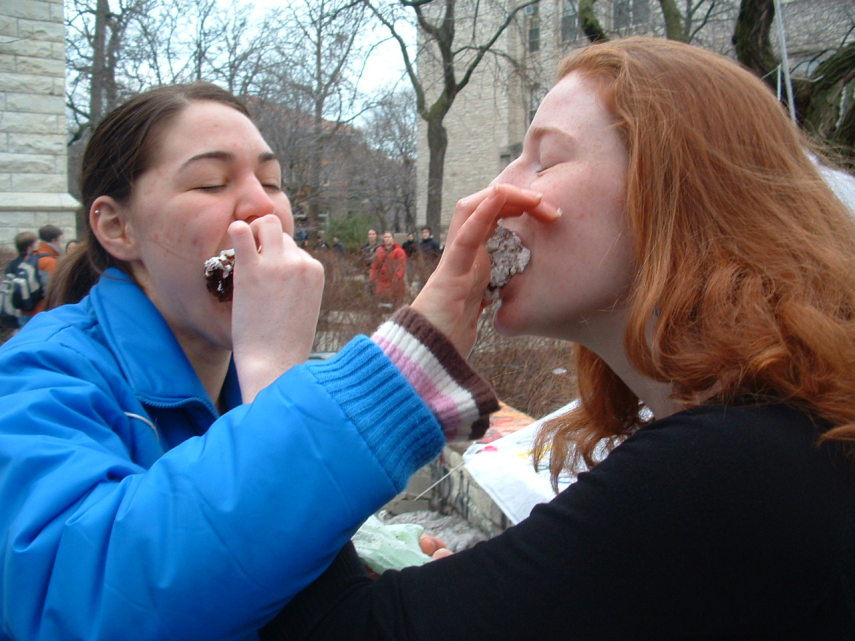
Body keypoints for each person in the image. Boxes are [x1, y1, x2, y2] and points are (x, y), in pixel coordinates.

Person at [263, 37, 855, 640]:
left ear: (677, 195)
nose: (488, 196)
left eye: (545, 162)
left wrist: (271, 371)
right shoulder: (768, 437)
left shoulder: (730, 465)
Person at [0, 81, 560, 641]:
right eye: (211, 183)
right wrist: (274, 366)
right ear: (117, 227)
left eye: (272, 183)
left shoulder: (227, 378)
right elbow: (85, 605)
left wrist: (350, 580)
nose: (264, 207)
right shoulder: (37, 379)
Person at [1, 230, 38, 330]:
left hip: (17, 309)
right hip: (33, 309)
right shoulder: (33, 263)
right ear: (30, 247)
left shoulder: (12, 264)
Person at [369, 231, 407, 308]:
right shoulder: (379, 250)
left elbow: (401, 266)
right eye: (385, 237)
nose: (387, 239)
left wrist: (397, 278)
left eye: (389, 237)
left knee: (395, 303)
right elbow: (375, 265)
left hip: (393, 281)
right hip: (381, 281)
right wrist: (372, 277)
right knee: (381, 303)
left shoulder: (399, 251)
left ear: (393, 238)